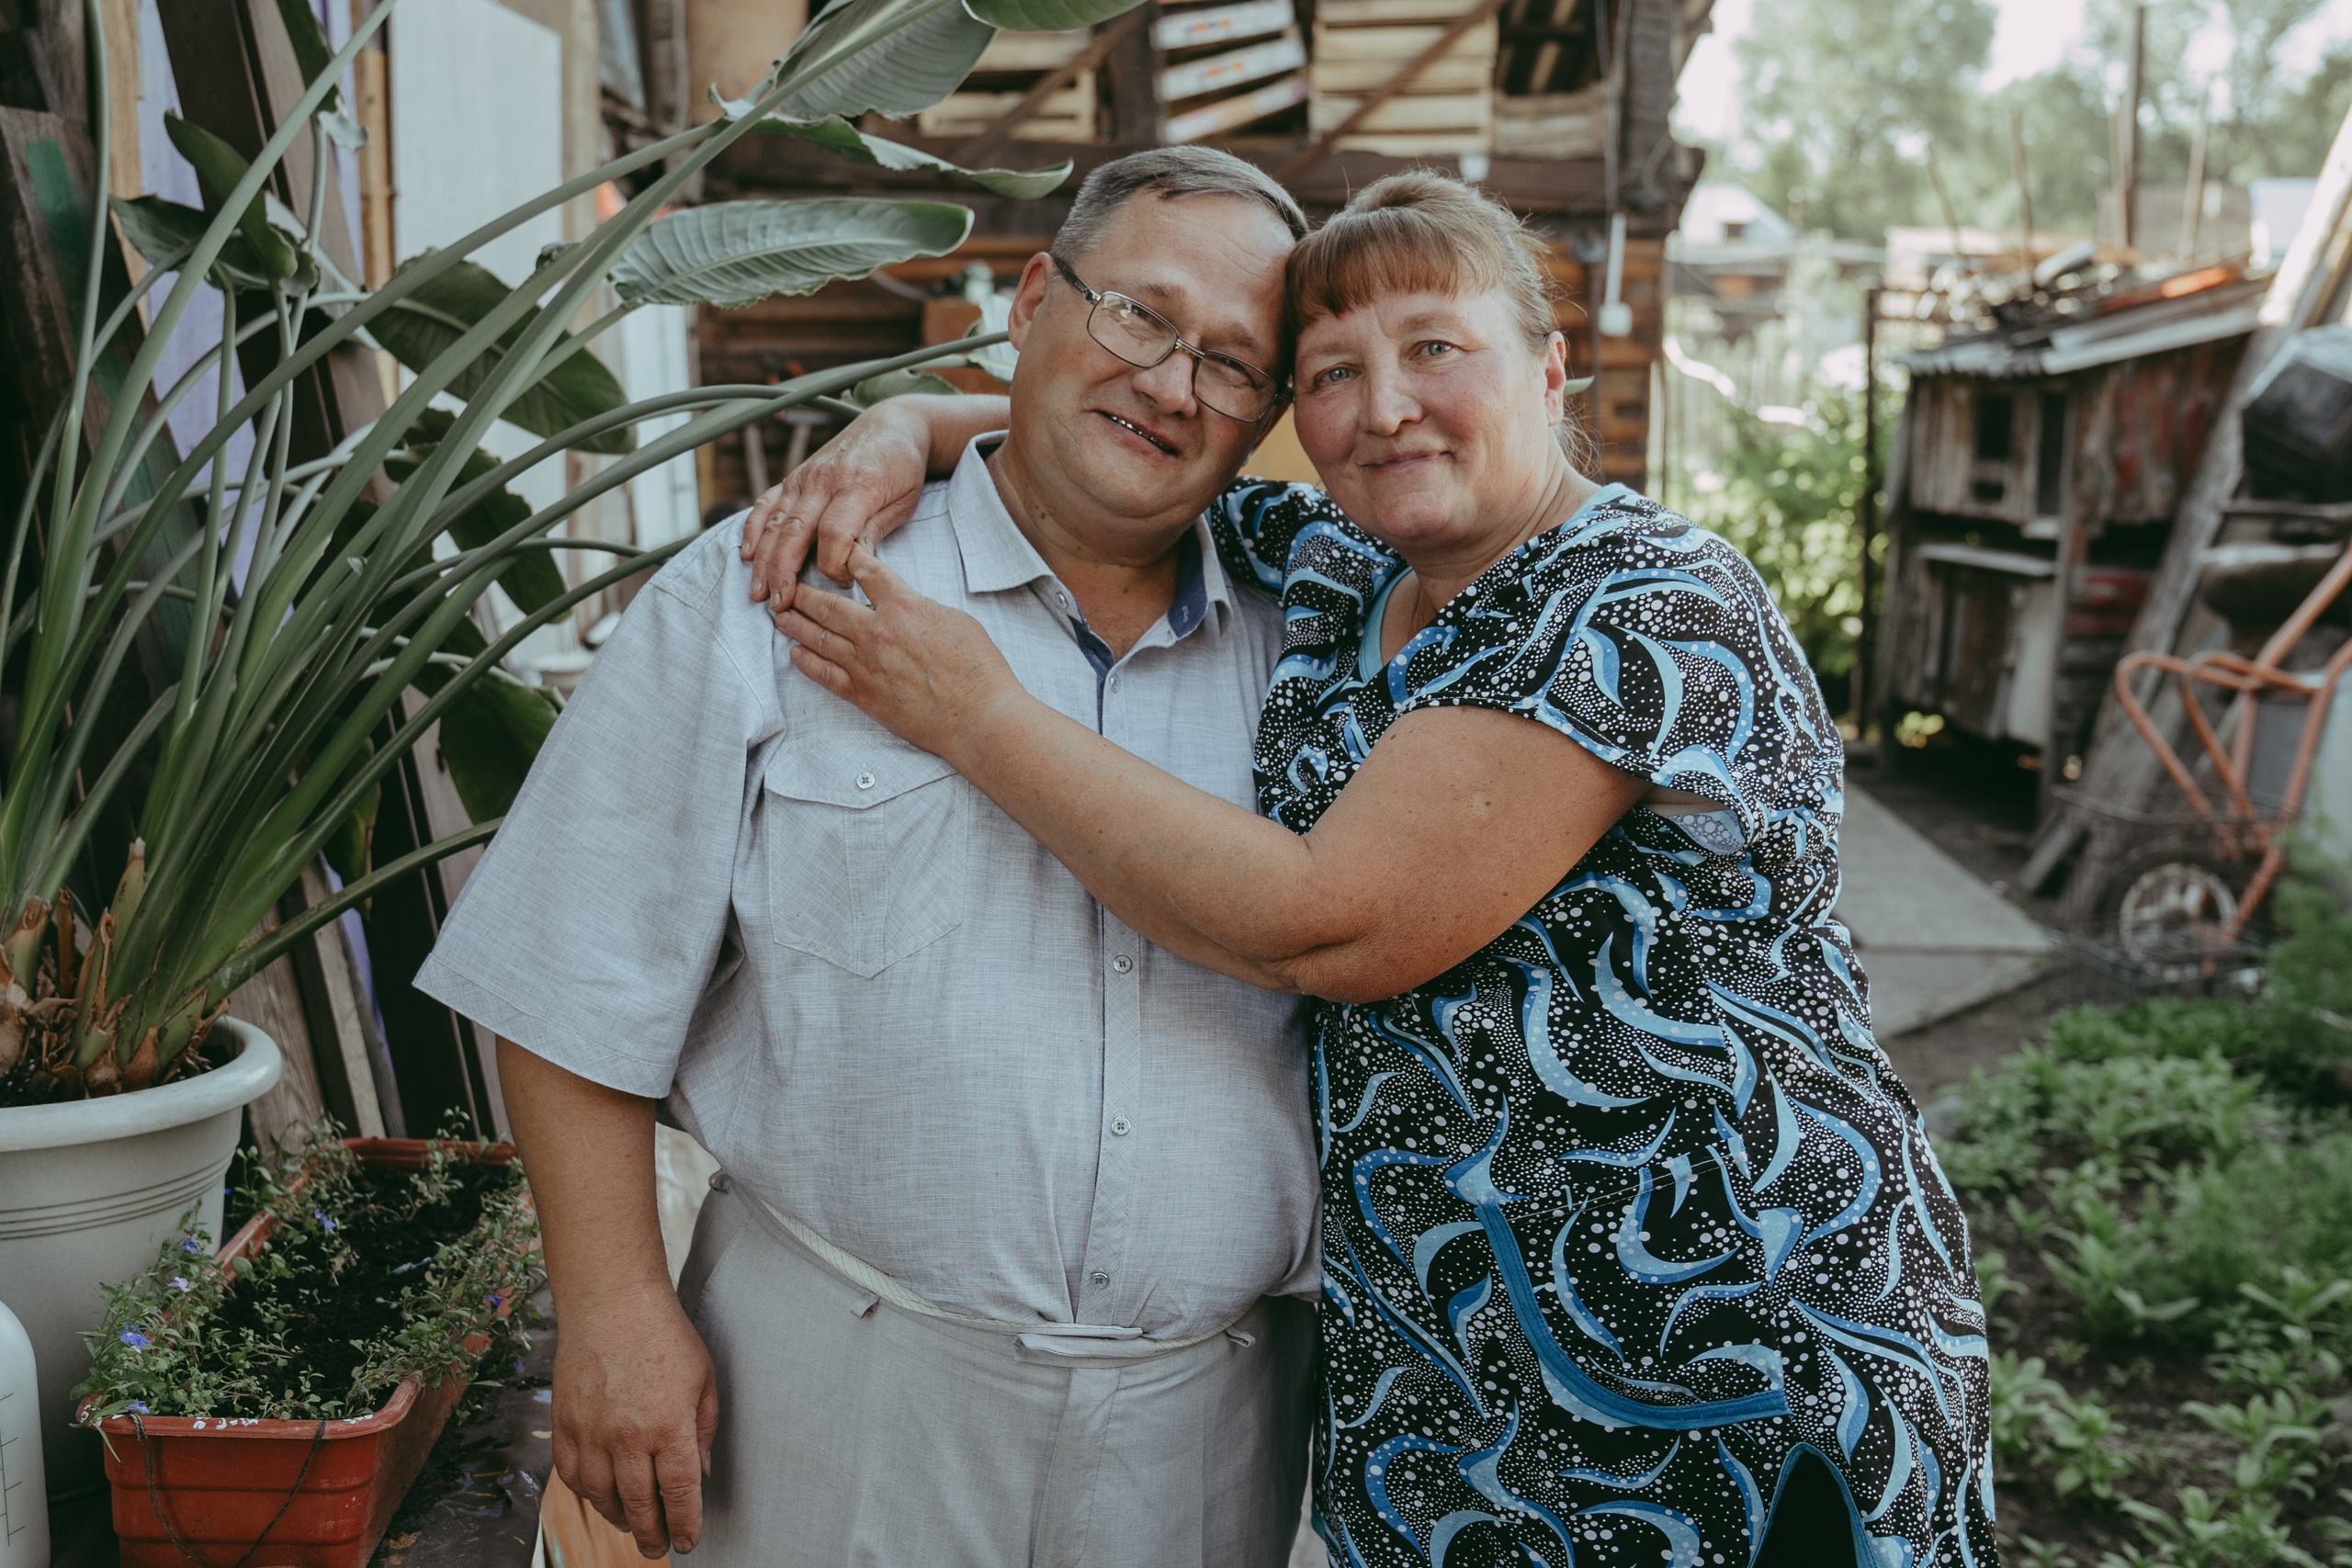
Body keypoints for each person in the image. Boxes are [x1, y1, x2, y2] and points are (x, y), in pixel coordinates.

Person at [741, 173, 1996, 1567]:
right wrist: (902, 424)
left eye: (1435, 349)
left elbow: (1323, 928)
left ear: (1549, 365)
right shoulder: (1342, 565)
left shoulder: (1639, 604)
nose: (1384, 405)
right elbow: (1126, 433)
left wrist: (974, 713)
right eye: (1331, 372)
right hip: (1455, 1367)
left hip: (1711, 1350)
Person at [413, 146, 1329, 1567]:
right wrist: (610, 1309)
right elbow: (570, 974)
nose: (1169, 385)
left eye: (1229, 362)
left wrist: (911, 412)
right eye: (1139, 317)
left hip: (1205, 1427)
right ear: (1033, 301)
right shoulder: (779, 582)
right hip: (831, 1383)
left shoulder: (1324, 652)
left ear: (1269, 411)